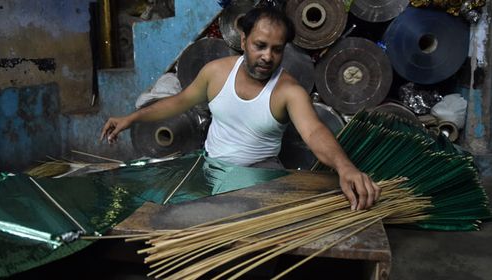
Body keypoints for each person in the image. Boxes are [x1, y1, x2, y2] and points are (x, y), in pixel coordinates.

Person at [100, 6, 381, 210]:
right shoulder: (216, 73)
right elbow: (178, 102)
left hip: (259, 176)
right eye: (260, 45)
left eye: (277, 49)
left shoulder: (289, 91)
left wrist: (346, 168)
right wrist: (132, 118)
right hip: (210, 170)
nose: (267, 56)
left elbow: (315, 131)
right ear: (244, 40)